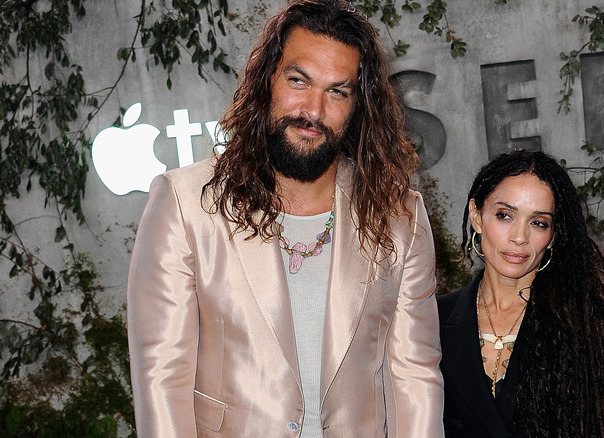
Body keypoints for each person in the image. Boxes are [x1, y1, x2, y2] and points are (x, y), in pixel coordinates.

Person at [126, 1, 444, 436]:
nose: (313, 110)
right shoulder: (186, 204)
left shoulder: (399, 217)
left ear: (358, 106)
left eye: (337, 91)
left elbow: (415, 380)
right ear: (267, 81)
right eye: (299, 81)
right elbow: (161, 380)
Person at [437, 149, 604, 437]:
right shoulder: (429, 320)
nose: (519, 237)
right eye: (505, 215)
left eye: (538, 222)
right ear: (477, 216)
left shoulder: (587, 328)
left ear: (553, 234)